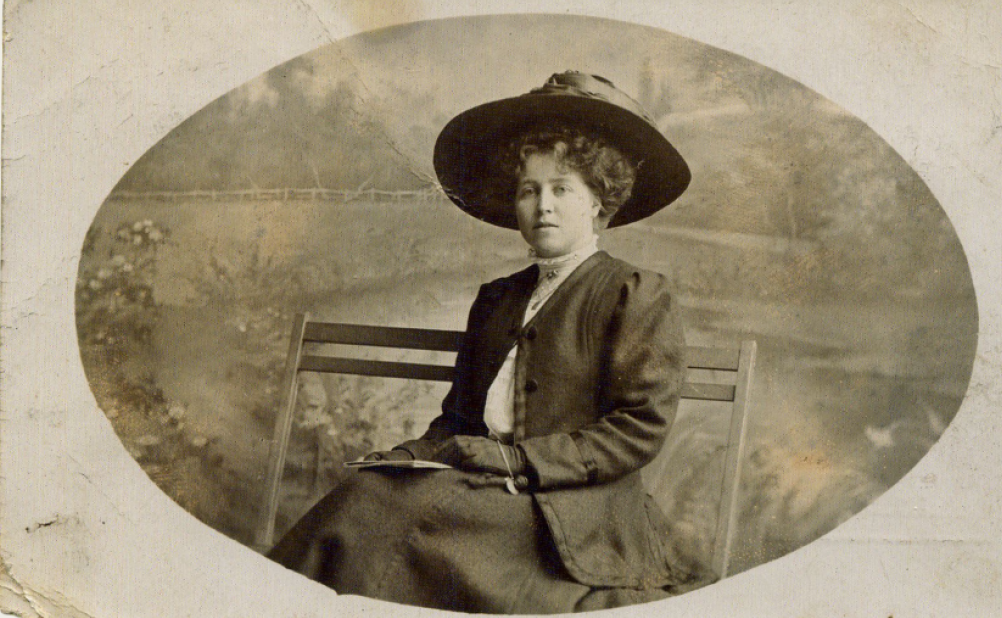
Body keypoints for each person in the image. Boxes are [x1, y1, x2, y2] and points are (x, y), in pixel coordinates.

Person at [267, 71, 717, 613]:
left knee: (410, 518)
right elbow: (458, 419)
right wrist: (410, 454)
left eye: (562, 190)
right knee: (369, 495)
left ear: (598, 201)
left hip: (573, 508)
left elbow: (637, 430)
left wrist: (517, 460)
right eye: (529, 191)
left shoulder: (634, 292)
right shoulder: (498, 298)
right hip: (485, 486)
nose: (542, 206)